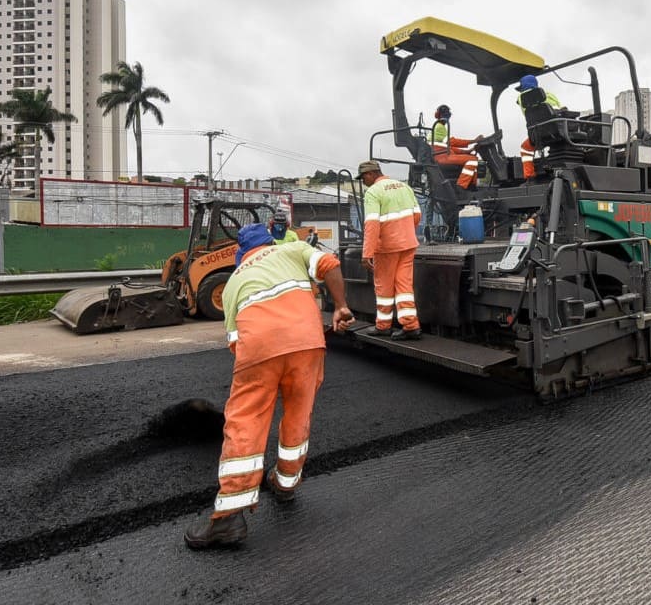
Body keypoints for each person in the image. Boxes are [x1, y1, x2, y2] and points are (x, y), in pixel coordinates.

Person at [184, 223, 355, 550]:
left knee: (246, 419)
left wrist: (258, 371)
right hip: (307, 342)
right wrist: (342, 306)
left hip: (260, 348)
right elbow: (330, 265)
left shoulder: (234, 281)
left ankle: (230, 516)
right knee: (297, 413)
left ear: (241, 254)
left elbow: (235, 341)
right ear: (269, 241)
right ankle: (286, 484)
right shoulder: (292, 250)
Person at [357, 160, 422, 340]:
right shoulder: (404, 187)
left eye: (363, 178)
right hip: (408, 244)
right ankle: (410, 325)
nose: (363, 182)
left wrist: (367, 254)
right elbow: (417, 215)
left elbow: (372, 225)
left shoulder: (373, 192)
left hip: (387, 248)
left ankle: (383, 326)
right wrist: (405, 231)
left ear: (370, 174)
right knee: (404, 285)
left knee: (384, 287)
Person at [515, 74, 564, 179]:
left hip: (537, 136)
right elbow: (559, 111)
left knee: (525, 148)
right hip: (556, 132)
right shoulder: (549, 95)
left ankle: (529, 175)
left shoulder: (522, 99)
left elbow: (520, 99)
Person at [429, 104, 481, 189]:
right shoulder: (439, 127)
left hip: (443, 155)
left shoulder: (438, 127)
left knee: (471, 157)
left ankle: (472, 185)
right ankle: (461, 186)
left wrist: (467, 151)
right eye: (445, 115)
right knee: (472, 160)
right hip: (442, 157)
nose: (446, 118)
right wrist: (474, 141)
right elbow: (452, 142)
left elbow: (450, 148)